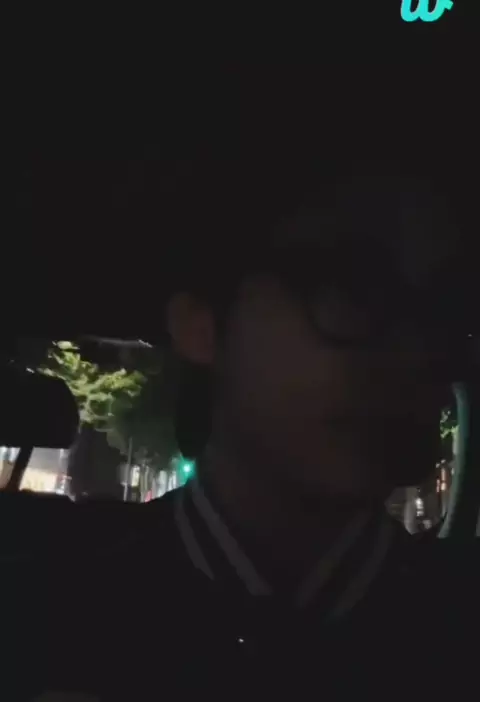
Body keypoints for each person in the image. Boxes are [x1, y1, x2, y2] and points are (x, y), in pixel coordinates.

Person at [20, 162, 479, 701]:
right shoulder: (42, 609)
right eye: (352, 288)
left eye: (447, 308)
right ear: (202, 326)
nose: (417, 352)